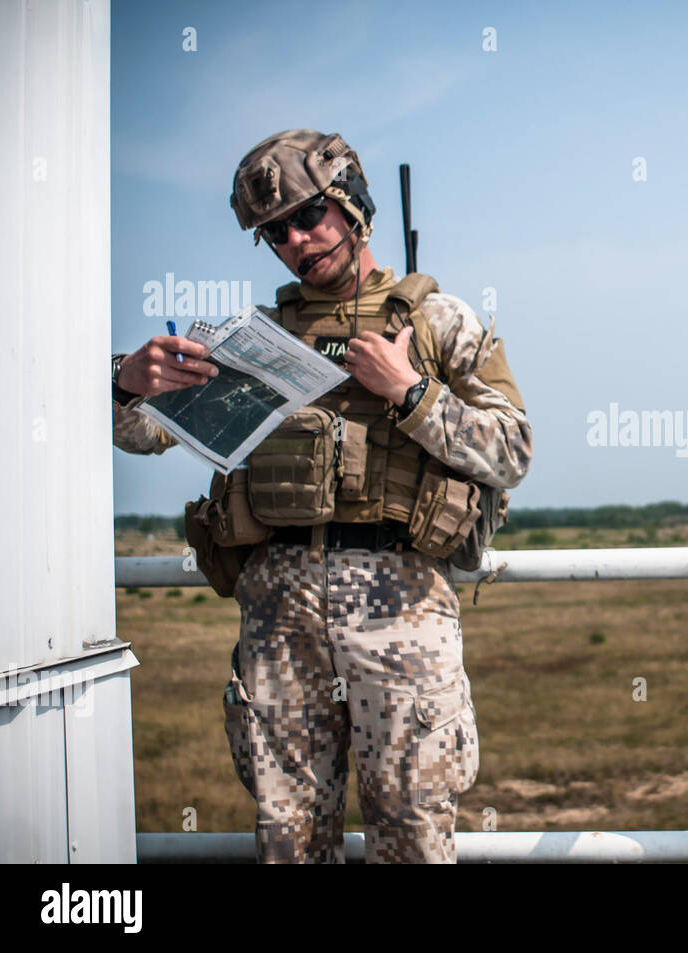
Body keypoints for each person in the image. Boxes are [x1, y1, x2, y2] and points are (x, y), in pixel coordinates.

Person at [111, 129, 533, 863]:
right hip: (278, 617)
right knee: (290, 837)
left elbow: (513, 450)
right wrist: (127, 382)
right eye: (276, 233)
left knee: (412, 835)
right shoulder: (256, 343)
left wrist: (411, 392)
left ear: (351, 202)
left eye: (310, 217)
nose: (298, 241)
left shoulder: (437, 323)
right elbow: (144, 435)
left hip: (400, 614)